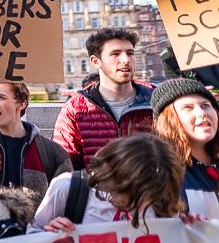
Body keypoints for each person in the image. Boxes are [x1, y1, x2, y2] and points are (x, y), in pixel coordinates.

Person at [30, 133, 188, 232]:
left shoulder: (161, 201)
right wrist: (48, 235)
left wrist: (194, 232)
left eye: (145, 198)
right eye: (126, 193)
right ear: (114, 175)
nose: (132, 206)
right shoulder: (69, 188)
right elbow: (30, 236)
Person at [53, 27, 154, 168]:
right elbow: (65, 166)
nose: (126, 60)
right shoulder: (75, 108)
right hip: (96, 188)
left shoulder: (157, 100)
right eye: (115, 54)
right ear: (96, 61)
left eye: (130, 53)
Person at [152, 79, 219, 218]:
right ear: (169, 120)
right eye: (188, 107)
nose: (202, 113)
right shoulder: (160, 172)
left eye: (206, 105)